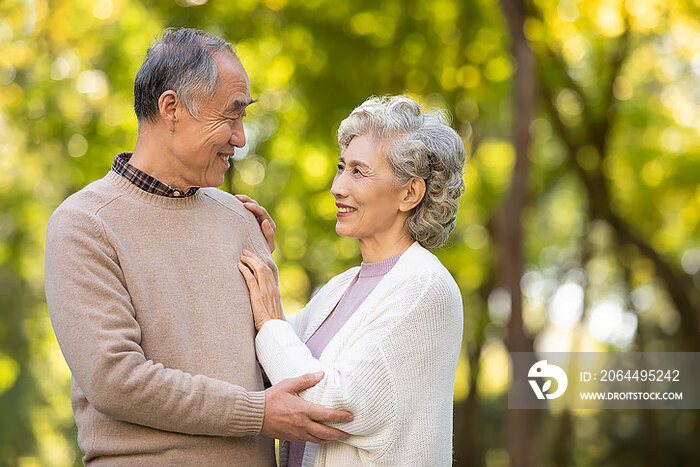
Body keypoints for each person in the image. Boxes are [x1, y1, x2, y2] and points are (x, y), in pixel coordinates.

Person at [44, 28, 352, 466]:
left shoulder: (239, 220)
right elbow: (115, 380)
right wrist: (257, 413)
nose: (241, 138)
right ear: (171, 108)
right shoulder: (85, 225)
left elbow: (271, 366)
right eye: (230, 116)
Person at [237, 95, 466, 466]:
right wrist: (254, 254)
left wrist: (270, 319)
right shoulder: (341, 288)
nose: (337, 187)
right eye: (341, 167)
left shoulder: (425, 288)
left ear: (409, 193)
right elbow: (266, 360)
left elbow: (332, 403)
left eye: (358, 172)